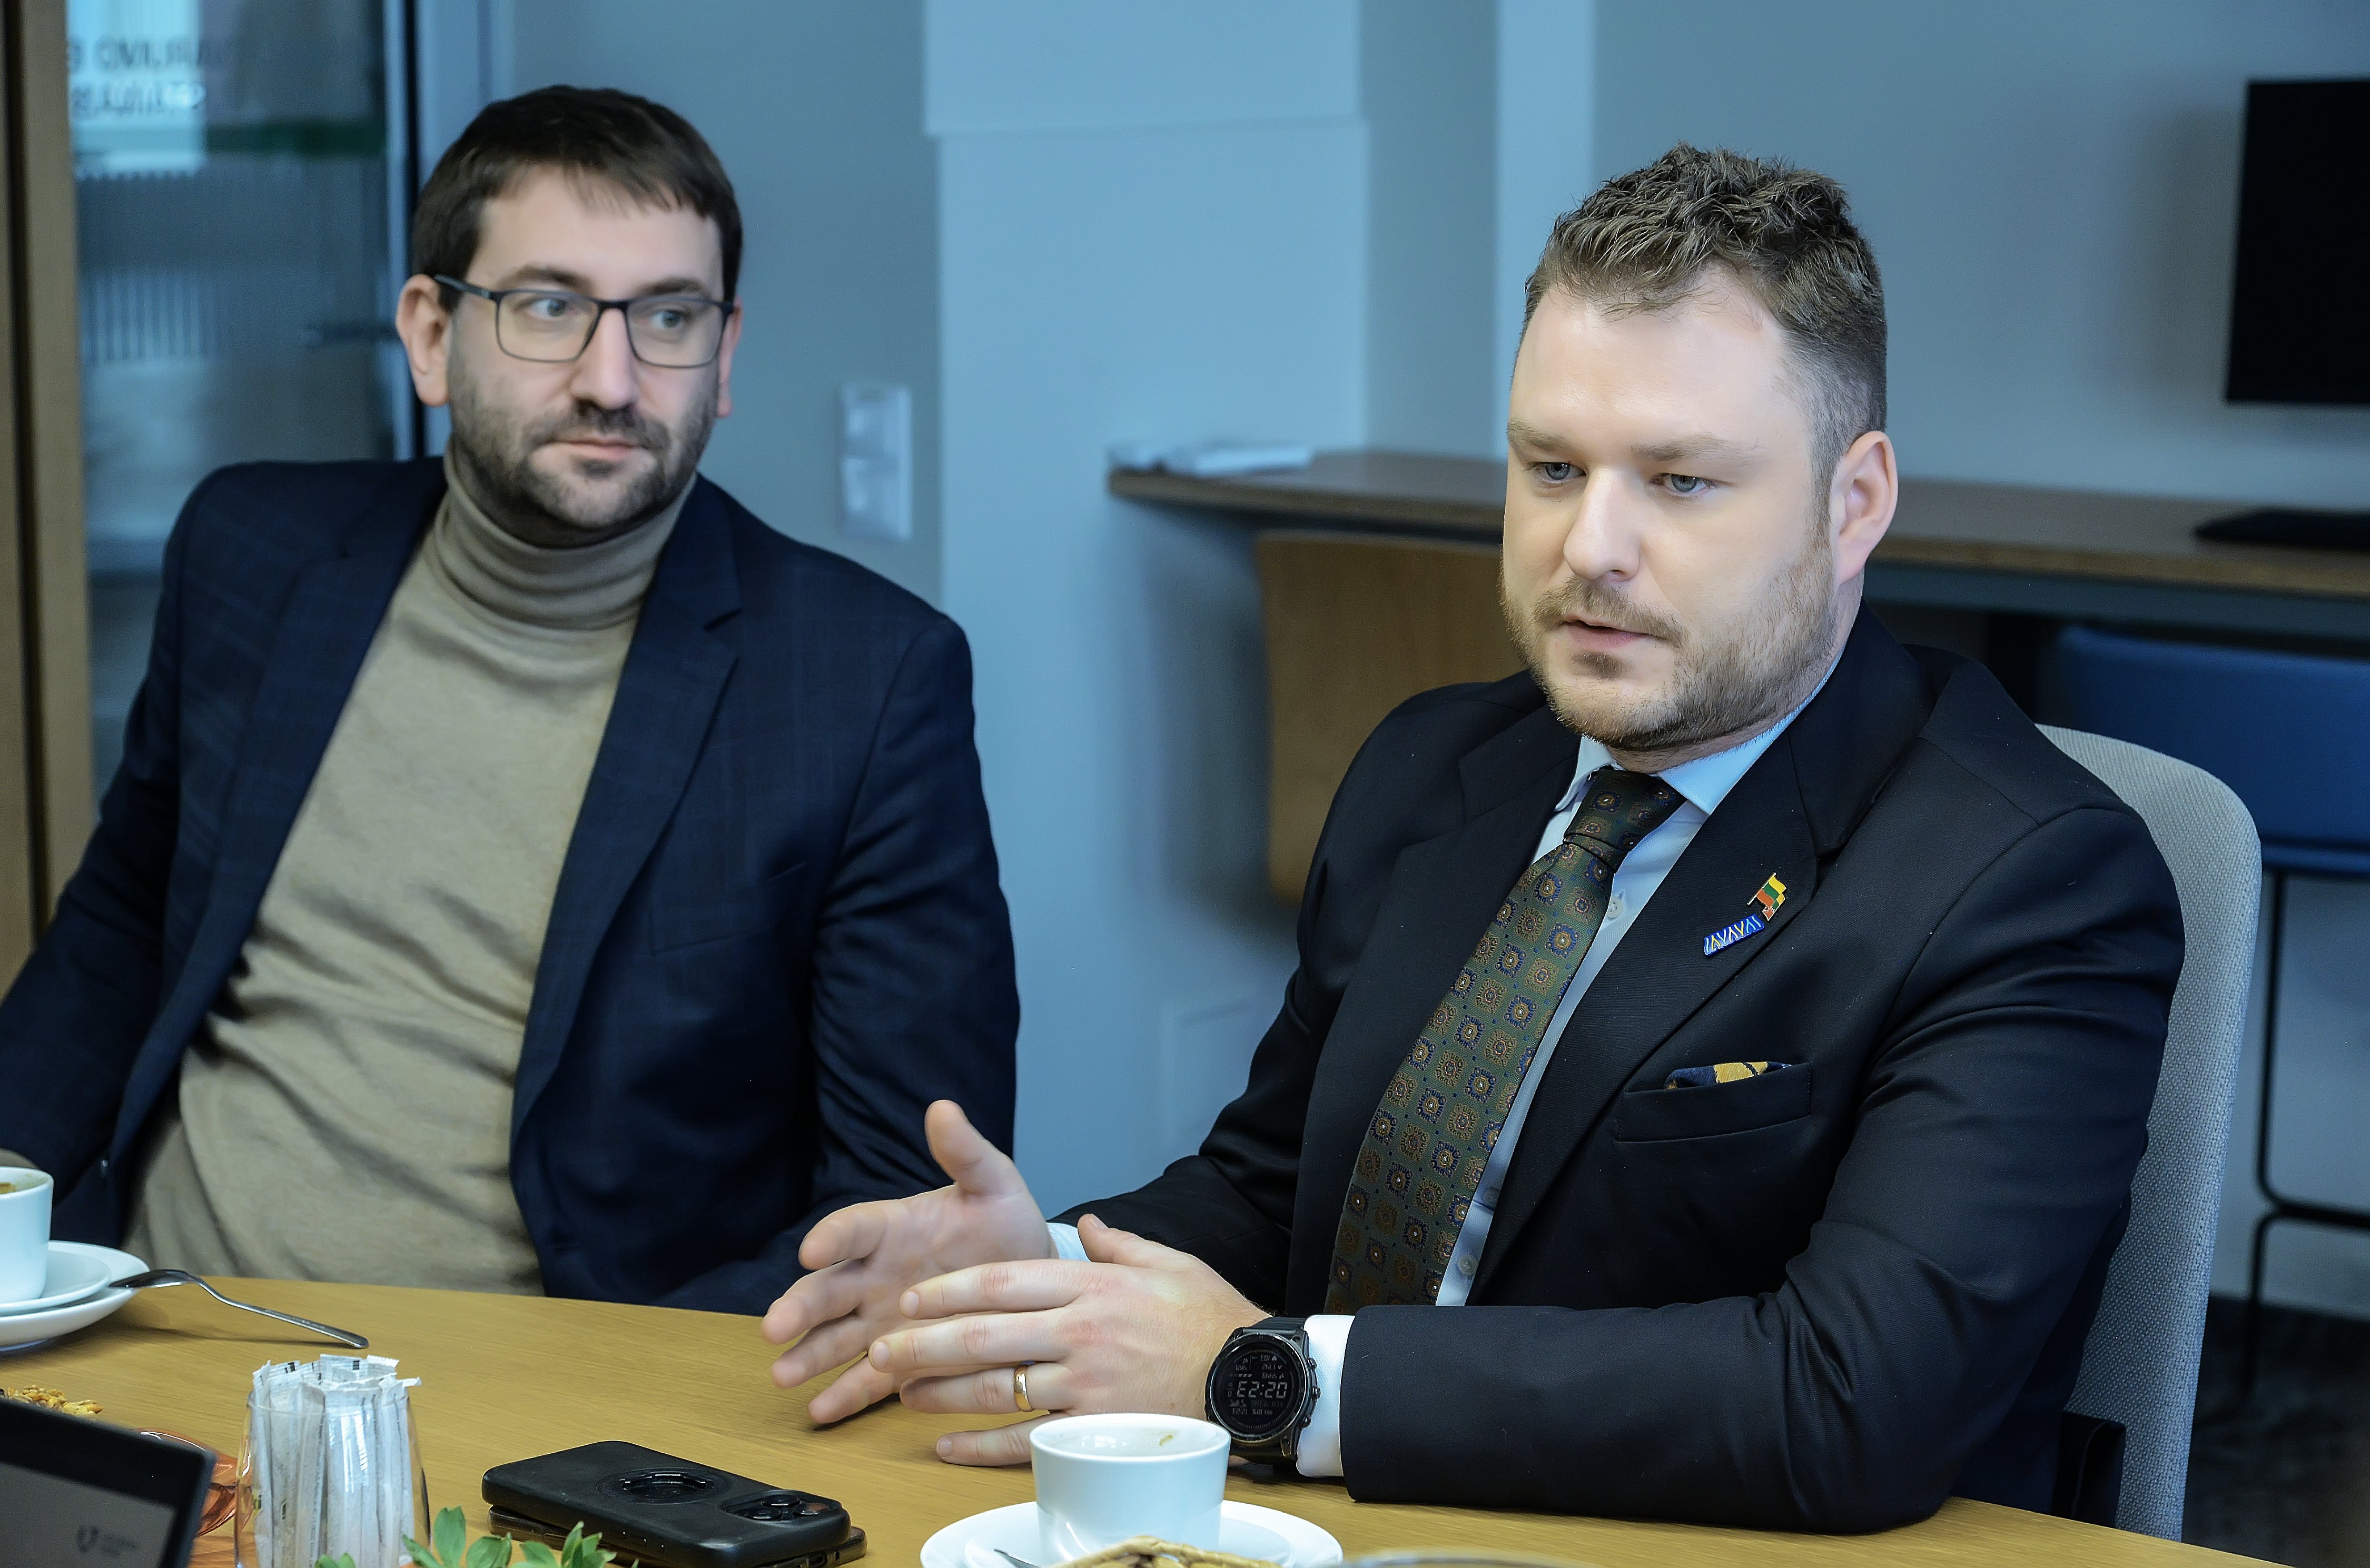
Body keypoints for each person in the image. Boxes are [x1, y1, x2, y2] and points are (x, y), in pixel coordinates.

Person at [759, 145, 2183, 1531]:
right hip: (1347, 1516)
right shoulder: (1436, 764)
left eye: (1680, 482)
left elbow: (1852, 1399)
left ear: (1852, 501)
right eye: (1551, 467)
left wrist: (1264, 1377)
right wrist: (1047, 1268)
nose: (1590, 548)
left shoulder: (2029, 880)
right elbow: (1277, 1188)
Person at [0, 87, 1017, 1313]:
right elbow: (120, 928)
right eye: (548, 308)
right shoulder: (251, 551)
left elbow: (903, 1200)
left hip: (552, 1389)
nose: (612, 379)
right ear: (431, 335)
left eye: (669, 317)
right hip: (162, 1323)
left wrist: (604, 1409)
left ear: (724, 355)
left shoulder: (864, 681)